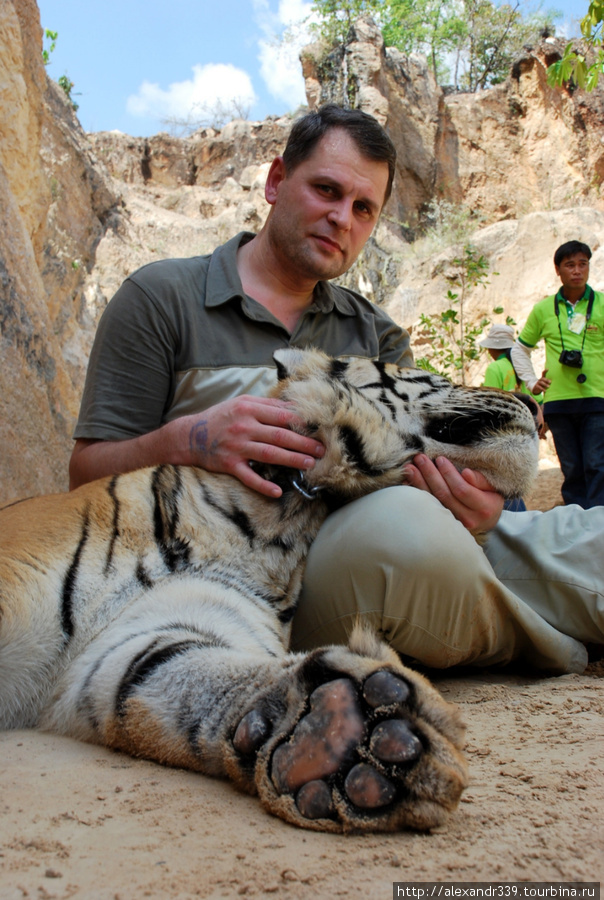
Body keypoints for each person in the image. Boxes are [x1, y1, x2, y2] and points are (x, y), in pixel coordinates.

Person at [69, 105, 604, 676]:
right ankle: (548, 642)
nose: (341, 218)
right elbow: (84, 478)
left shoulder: (377, 332)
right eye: (326, 190)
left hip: (399, 532)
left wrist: (480, 507)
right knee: (410, 538)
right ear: (276, 181)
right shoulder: (160, 298)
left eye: (363, 208)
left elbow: (427, 472)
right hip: (245, 579)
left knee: (578, 535)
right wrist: (190, 439)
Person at [511, 241, 604, 508]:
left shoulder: (602, 304)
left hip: (598, 398)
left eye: (583, 264)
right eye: (570, 265)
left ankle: (598, 527)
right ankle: (579, 525)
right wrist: (531, 381)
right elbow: (520, 350)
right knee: (572, 469)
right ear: (558, 270)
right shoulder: (544, 309)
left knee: (598, 465)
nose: (577, 270)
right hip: (559, 402)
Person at [479, 323, 545, 512]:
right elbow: (537, 397)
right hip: (527, 433)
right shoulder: (522, 365)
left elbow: (488, 403)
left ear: (493, 348)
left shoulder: (495, 368)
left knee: (502, 486)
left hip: (503, 435)